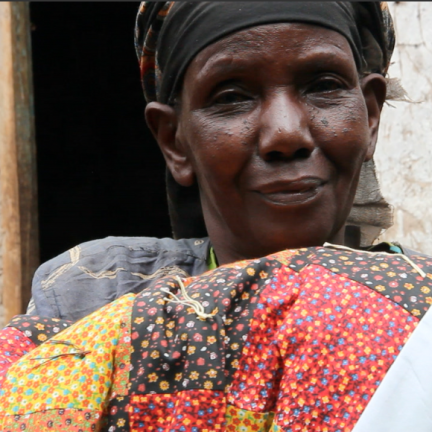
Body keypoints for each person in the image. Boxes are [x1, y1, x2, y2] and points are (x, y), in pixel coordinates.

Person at [1, 1, 431, 431]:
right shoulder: (91, 296)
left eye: (322, 85)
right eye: (231, 97)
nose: (285, 133)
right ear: (174, 141)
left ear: (370, 115)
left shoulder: (421, 315)